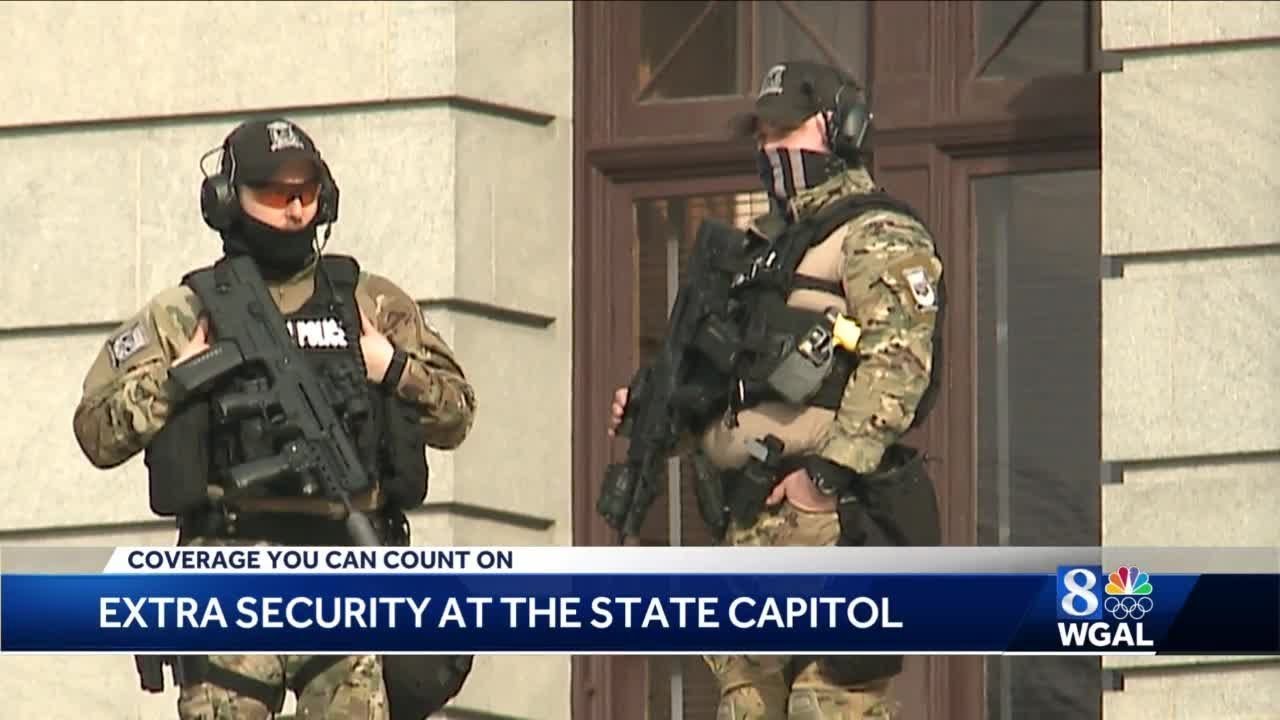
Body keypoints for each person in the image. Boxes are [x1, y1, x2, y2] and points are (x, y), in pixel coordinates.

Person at [72, 117, 477, 720]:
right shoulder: (185, 311)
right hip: (228, 575)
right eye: (275, 194)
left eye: (306, 193)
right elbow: (95, 432)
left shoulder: (371, 302)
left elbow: (457, 415)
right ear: (228, 201)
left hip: (350, 567)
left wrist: (393, 368)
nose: (294, 210)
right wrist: (175, 379)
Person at [608, 61, 944, 719]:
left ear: (841, 128)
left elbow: (897, 366)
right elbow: (729, 385)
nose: (770, 149)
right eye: (761, 134)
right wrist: (662, 414)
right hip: (748, 523)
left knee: (830, 706)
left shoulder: (875, 230)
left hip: (832, 522)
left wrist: (824, 480)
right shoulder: (762, 251)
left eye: (785, 130)